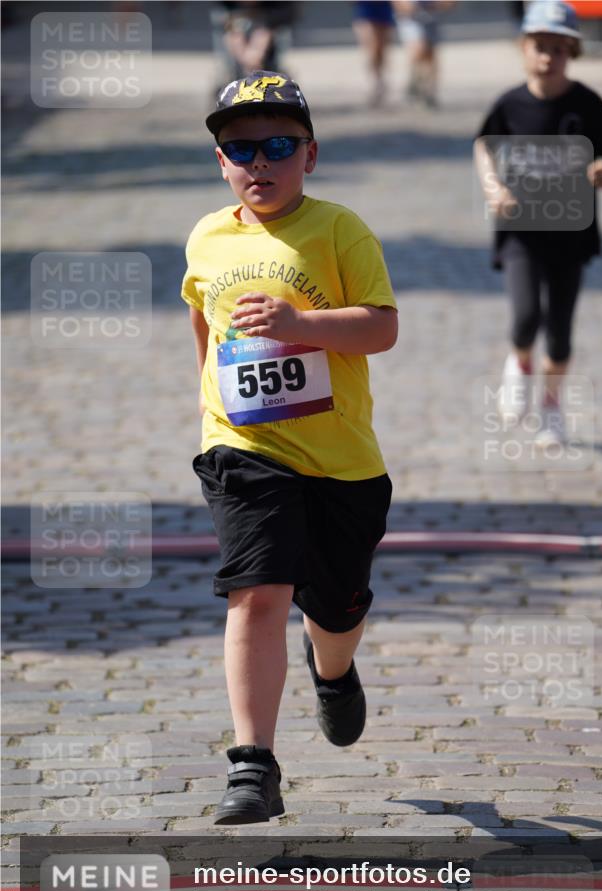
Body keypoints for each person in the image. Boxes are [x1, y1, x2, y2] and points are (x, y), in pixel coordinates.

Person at [181, 72, 398, 825]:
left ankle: (332, 672)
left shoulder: (339, 229)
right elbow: (203, 318)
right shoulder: (208, 236)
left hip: (341, 460)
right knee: (257, 590)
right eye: (240, 149)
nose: (259, 162)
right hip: (243, 445)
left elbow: (380, 327)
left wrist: (298, 324)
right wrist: (210, 398)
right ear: (221, 162)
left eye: (278, 146)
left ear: (310, 154)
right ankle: (253, 765)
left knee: (335, 610)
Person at [474, 1, 602, 446]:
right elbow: (484, 145)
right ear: (523, 47)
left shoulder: (585, 104)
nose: (548, 56)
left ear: (573, 53)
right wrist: (492, 187)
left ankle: (550, 407)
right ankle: (520, 362)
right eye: (540, 46)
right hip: (520, 233)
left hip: (571, 236)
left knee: (560, 334)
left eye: (559, 48)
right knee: (526, 317)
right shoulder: (509, 104)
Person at [393, 0, 455, 108]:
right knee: (419, 49)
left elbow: (450, 3)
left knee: (430, 55)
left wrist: (438, 5)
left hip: (432, 17)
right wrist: (404, 6)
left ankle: (429, 90)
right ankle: (415, 82)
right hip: (411, 18)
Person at [353, 1, 396, 107]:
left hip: (384, 7)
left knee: (381, 50)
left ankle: (380, 79)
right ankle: (374, 81)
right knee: (372, 48)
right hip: (365, 8)